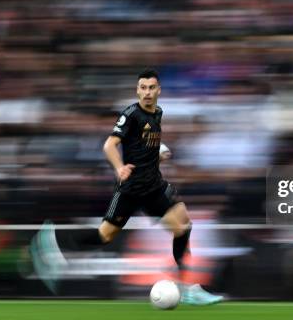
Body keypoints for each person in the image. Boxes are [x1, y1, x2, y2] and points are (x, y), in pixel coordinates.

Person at [29, 69, 223, 305]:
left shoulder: (158, 113)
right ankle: (53, 244)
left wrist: (158, 153)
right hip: (130, 188)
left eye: (152, 87)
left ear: (158, 90)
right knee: (105, 236)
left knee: (183, 226)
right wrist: (119, 167)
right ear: (137, 90)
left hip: (153, 186)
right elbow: (109, 145)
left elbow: (142, 142)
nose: (147, 92)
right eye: (143, 87)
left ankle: (186, 287)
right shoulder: (131, 113)